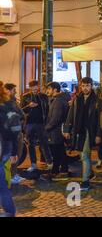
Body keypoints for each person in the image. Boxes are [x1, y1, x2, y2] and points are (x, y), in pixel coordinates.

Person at [63, 77, 102, 191]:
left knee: (84, 155)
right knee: (82, 154)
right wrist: (66, 129)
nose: (85, 88)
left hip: (90, 131)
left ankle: (85, 182)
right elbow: (70, 114)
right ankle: (89, 173)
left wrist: (99, 134)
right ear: (80, 86)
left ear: (91, 86)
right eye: (83, 86)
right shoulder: (77, 99)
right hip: (78, 131)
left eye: (87, 86)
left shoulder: (96, 100)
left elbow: (100, 119)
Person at [21, 80, 52, 172]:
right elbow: (22, 111)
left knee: (44, 143)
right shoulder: (25, 97)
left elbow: (47, 110)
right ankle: (33, 164)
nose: (34, 90)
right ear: (30, 88)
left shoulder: (43, 96)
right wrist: (29, 106)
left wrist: (47, 122)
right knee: (31, 144)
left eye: (36, 88)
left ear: (38, 87)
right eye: (32, 88)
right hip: (29, 123)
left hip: (41, 123)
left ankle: (50, 163)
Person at [45, 82, 70, 181]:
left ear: (54, 89)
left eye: (49, 89)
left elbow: (56, 118)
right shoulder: (58, 99)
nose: (47, 91)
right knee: (60, 151)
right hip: (56, 131)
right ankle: (64, 170)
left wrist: (46, 128)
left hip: (56, 131)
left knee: (56, 152)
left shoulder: (58, 101)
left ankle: (55, 172)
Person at [0, 81, 19, 217]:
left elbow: (14, 130)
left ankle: (9, 211)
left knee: (1, 181)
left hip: (3, 147)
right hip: (6, 148)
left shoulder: (6, 106)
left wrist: (13, 151)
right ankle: (9, 210)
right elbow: (15, 129)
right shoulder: (7, 105)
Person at [4, 84, 25, 185]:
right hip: (13, 132)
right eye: (13, 90)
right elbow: (19, 115)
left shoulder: (12, 102)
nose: (15, 92)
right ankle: (12, 176)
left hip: (16, 131)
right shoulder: (8, 103)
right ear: (7, 91)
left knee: (16, 154)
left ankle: (13, 174)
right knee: (14, 154)